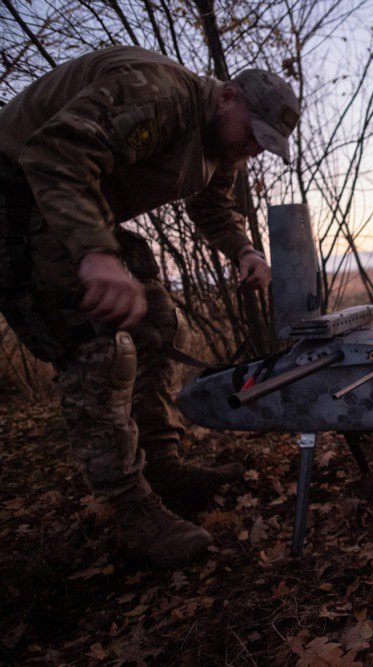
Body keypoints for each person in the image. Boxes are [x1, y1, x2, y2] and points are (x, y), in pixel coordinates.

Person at [0, 46, 299, 568]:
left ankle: (161, 466)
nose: (252, 150)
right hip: (16, 189)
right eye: (252, 135)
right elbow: (54, 153)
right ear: (226, 97)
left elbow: (212, 205)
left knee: (160, 325)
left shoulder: (219, 145)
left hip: (70, 205)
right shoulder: (156, 96)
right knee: (101, 345)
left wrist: (245, 250)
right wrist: (95, 253)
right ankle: (128, 511)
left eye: (263, 145)